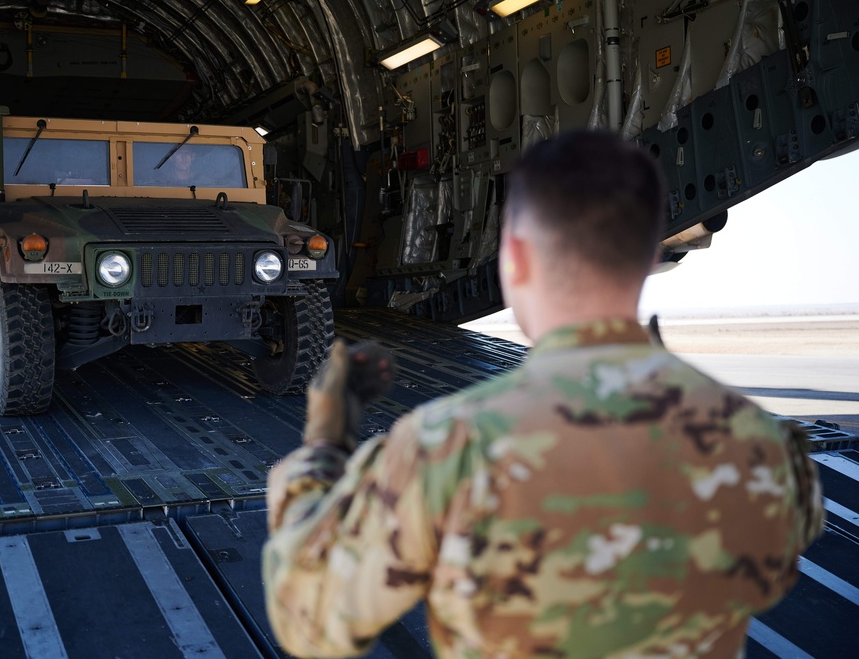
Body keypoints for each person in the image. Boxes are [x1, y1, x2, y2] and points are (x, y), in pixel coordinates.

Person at [262, 130, 824, 659]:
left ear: (519, 259)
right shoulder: (765, 444)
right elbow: (768, 572)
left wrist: (323, 445)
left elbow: (309, 621)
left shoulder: (448, 446)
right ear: (650, 258)